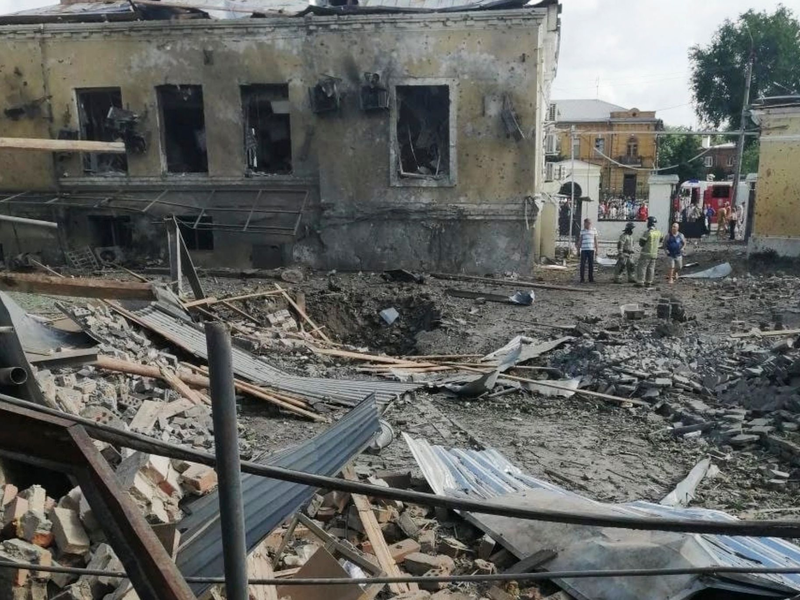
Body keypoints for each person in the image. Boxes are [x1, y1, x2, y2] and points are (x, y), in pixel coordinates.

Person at [635, 216, 662, 287]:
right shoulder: (658, 232)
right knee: (651, 268)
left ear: (649, 223)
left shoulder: (648, 232)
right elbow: (661, 240)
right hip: (654, 254)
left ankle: (640, 282)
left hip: (646, 253)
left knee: (642, 267)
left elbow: (641, 243)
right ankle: (649, 282)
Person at [578, 218, 598, 284]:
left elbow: (596, 241)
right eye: (586, 223)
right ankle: (582, 279)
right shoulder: (582, 231)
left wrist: (597, 250)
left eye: (589, 223)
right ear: (585, 224)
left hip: (591, 249)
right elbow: (580, 241)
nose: (588, 224)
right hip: (584, 250)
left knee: (591, 265)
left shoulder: (594, 230)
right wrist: (578, 250)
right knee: (582, 265)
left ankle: (591, 278)